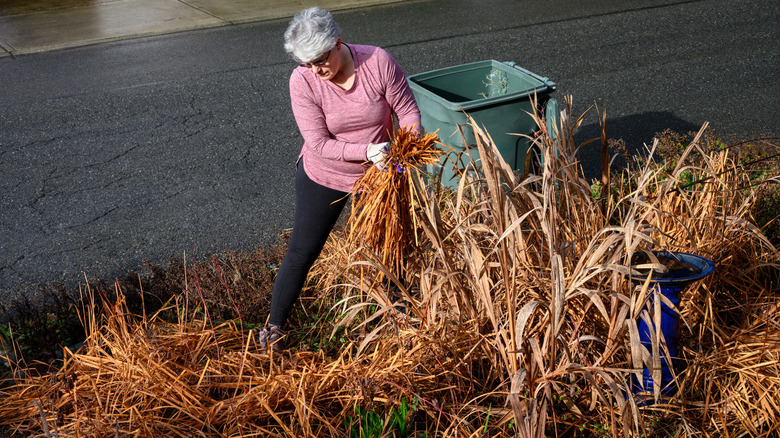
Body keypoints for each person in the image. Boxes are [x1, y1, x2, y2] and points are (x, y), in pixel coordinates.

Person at [256, 7, 421, 352]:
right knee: (303, 250)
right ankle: (273, 329)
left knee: (388, 247)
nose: (316, 70)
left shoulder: (377, 62)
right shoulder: (302, 80)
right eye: (307, 64)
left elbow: (407, 112)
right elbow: (318, 143)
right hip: (324, 172)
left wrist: (402, 155)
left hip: (379, 176)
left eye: (320, 60)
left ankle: (404, 323)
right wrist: (369, 150)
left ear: (337, 42)